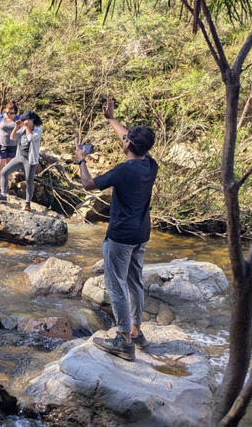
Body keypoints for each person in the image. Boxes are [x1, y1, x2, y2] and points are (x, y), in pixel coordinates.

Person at [76, 97, 158, 361]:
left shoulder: (123, 170)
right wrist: (111, 119)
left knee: (117, 285)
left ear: (128, 145)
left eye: (126, 139)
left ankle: (124, 341)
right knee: (135, 282)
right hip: (141, 233)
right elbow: (129, 138)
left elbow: (88, 184)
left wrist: (81, 160)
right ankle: (136, 331)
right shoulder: (150, 164)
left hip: (121, 236)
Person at [0, 110, 43, 211]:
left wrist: (28, 127)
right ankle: (3, 195)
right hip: (19, 157)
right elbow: (12, 137)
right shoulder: (23, 128)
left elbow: (30, 138)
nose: (24, 121)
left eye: (26, 119)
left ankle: (27, 203)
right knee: (4, 172)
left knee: (29, 180)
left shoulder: (38, 130)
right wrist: (16, 127)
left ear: (32, 120)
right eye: (23, 119)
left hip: (30, 159)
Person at [0, 101, 20, 194]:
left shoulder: (18, 119)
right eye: (7, 112)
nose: (9, 114)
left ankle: (5, 185)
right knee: (0, 165)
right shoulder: (0, 118)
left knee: (8, 167)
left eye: (11, 113)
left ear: (15, 112)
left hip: (13, 146)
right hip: (2, 145)